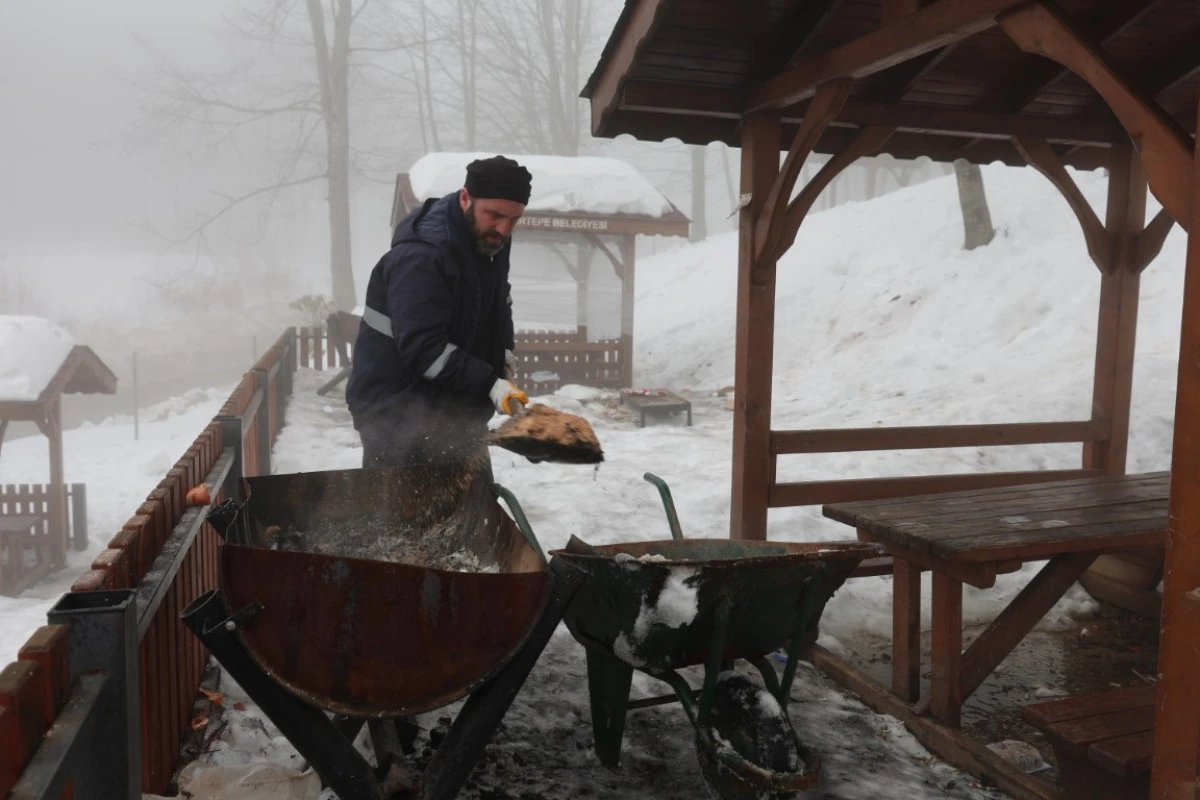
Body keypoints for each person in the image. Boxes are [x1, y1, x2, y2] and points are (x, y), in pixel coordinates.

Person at [345, 155, 532, 470]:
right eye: (495, 215)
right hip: (394, 413)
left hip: (453, 407)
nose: (503, 228)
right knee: (404, 502)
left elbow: (499, 298)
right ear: (465, 198)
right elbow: (424, 349)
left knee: (471, 493)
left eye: (514, 219)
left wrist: (502, 348)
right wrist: (489, 383)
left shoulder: (490, 238)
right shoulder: (422, 256)